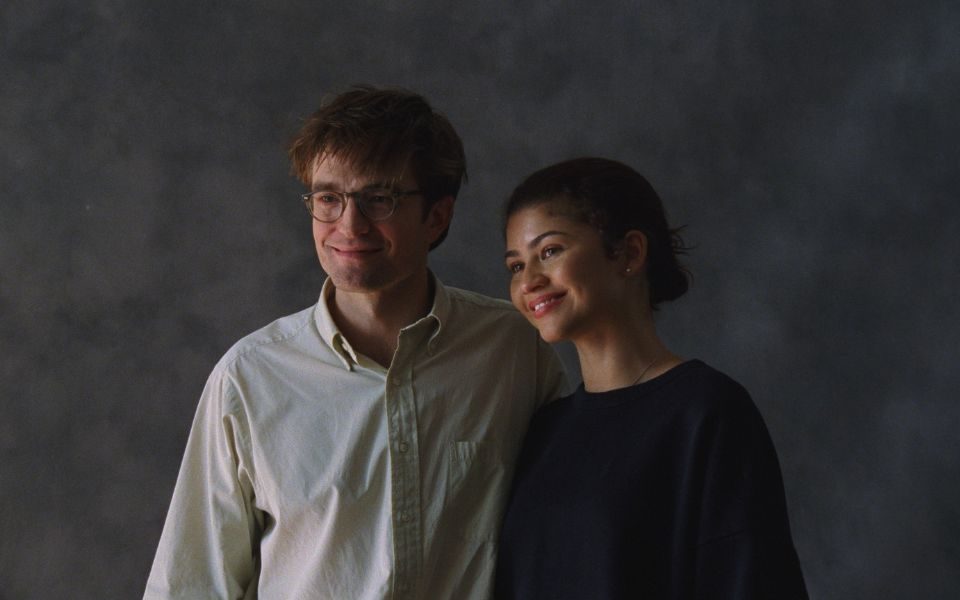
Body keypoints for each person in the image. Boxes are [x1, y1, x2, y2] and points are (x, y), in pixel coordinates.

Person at [144, 86, 567, 599]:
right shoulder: (250, 377)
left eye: (378, 199)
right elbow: (192, 586)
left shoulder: (513, 351)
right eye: (329, 198)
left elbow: (569, 535)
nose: (349, 225)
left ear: (437, 216)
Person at [494, 157, 807, 599]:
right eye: (515, 266)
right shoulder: (544, 430)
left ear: (630, 253)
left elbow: (749, 581)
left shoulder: (706, 413)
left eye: (549, 252)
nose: (529, 281)